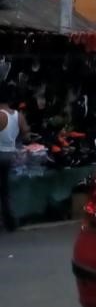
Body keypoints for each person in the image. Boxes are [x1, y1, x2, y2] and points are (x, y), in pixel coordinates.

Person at [0, 83, 29, 231]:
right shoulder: (18, 115)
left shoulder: (0, 114)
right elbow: (26, 132)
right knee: (5, 190)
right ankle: (10, 222)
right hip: (10, 155)